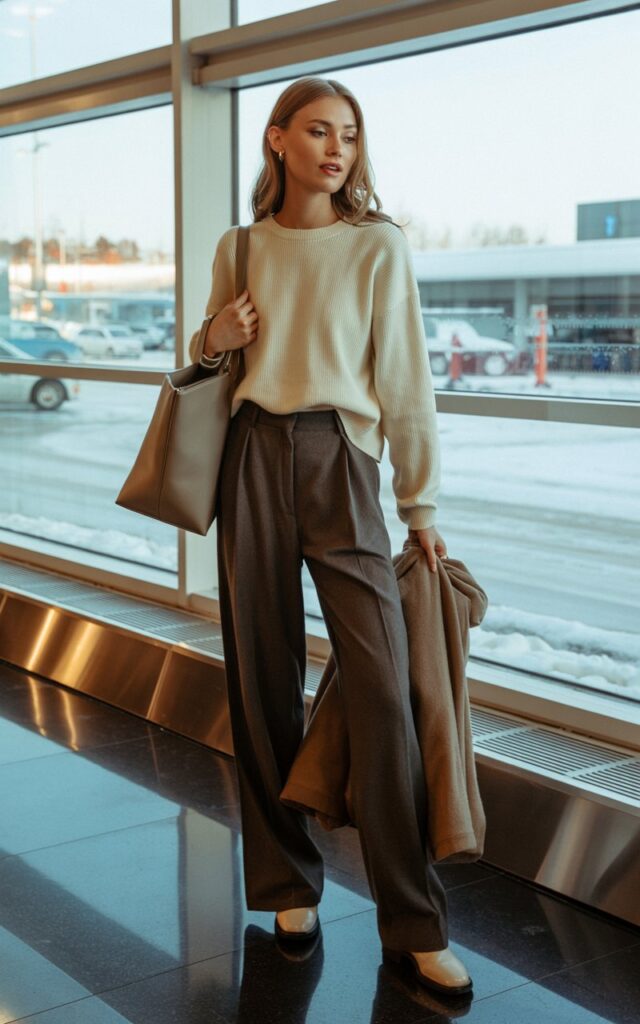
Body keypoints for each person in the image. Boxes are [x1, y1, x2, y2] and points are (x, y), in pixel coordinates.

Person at [188, 75, 472, 998]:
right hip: (250, 456)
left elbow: (407, 382)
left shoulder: (376, 247)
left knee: (384, 687)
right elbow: (206, 362)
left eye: (348, 134)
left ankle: (413, 919)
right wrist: (211, 336)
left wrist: (421, 508)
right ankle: (284, 888)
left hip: (341, 460)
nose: (335, 148)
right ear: (276, 141)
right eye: (316, 131)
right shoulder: (240, 246)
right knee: (260, 675)